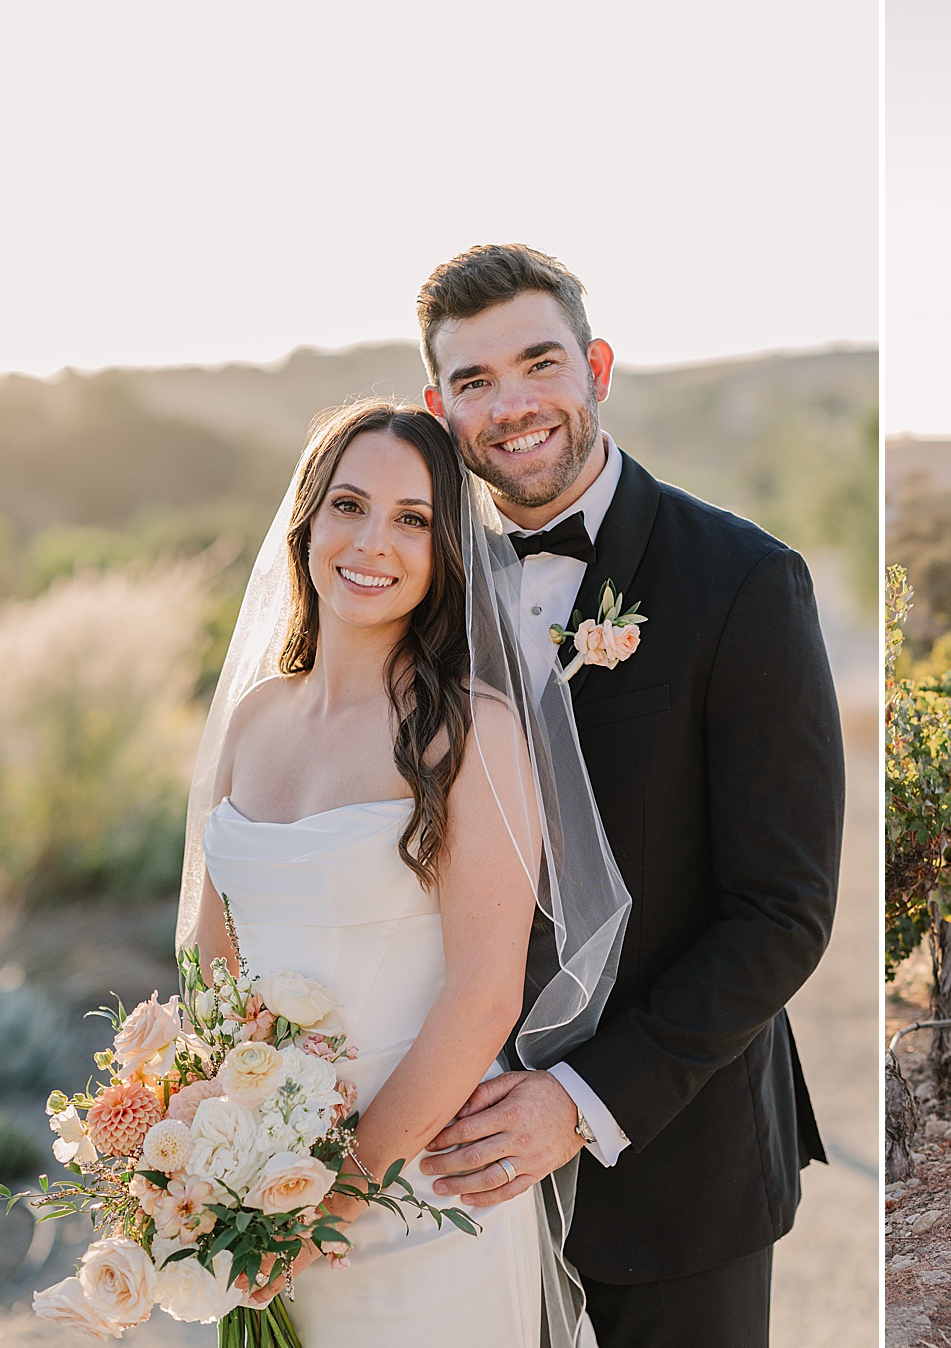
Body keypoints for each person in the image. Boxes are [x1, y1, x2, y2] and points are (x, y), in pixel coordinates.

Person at [408, 244, 844, 1347]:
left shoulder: (742, 581)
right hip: (448, 1184)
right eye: (475, 381)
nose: (512, 406)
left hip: (675, 1177)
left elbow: (781, 912)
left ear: (597, 366)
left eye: (539, 363)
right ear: (438, 405)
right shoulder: (413, 591)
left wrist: (581, 1101)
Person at [180, 399, 630, 1345]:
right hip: (256, 1192)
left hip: (422, 1196)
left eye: (413, 520)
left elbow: (482, 995)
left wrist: (327, 1202)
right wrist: (210, 1163)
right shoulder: (257, 719)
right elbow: (210, 967)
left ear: (445, 555)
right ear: (306, 522)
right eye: (348, 505)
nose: (372, 541)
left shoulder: (471, 732)